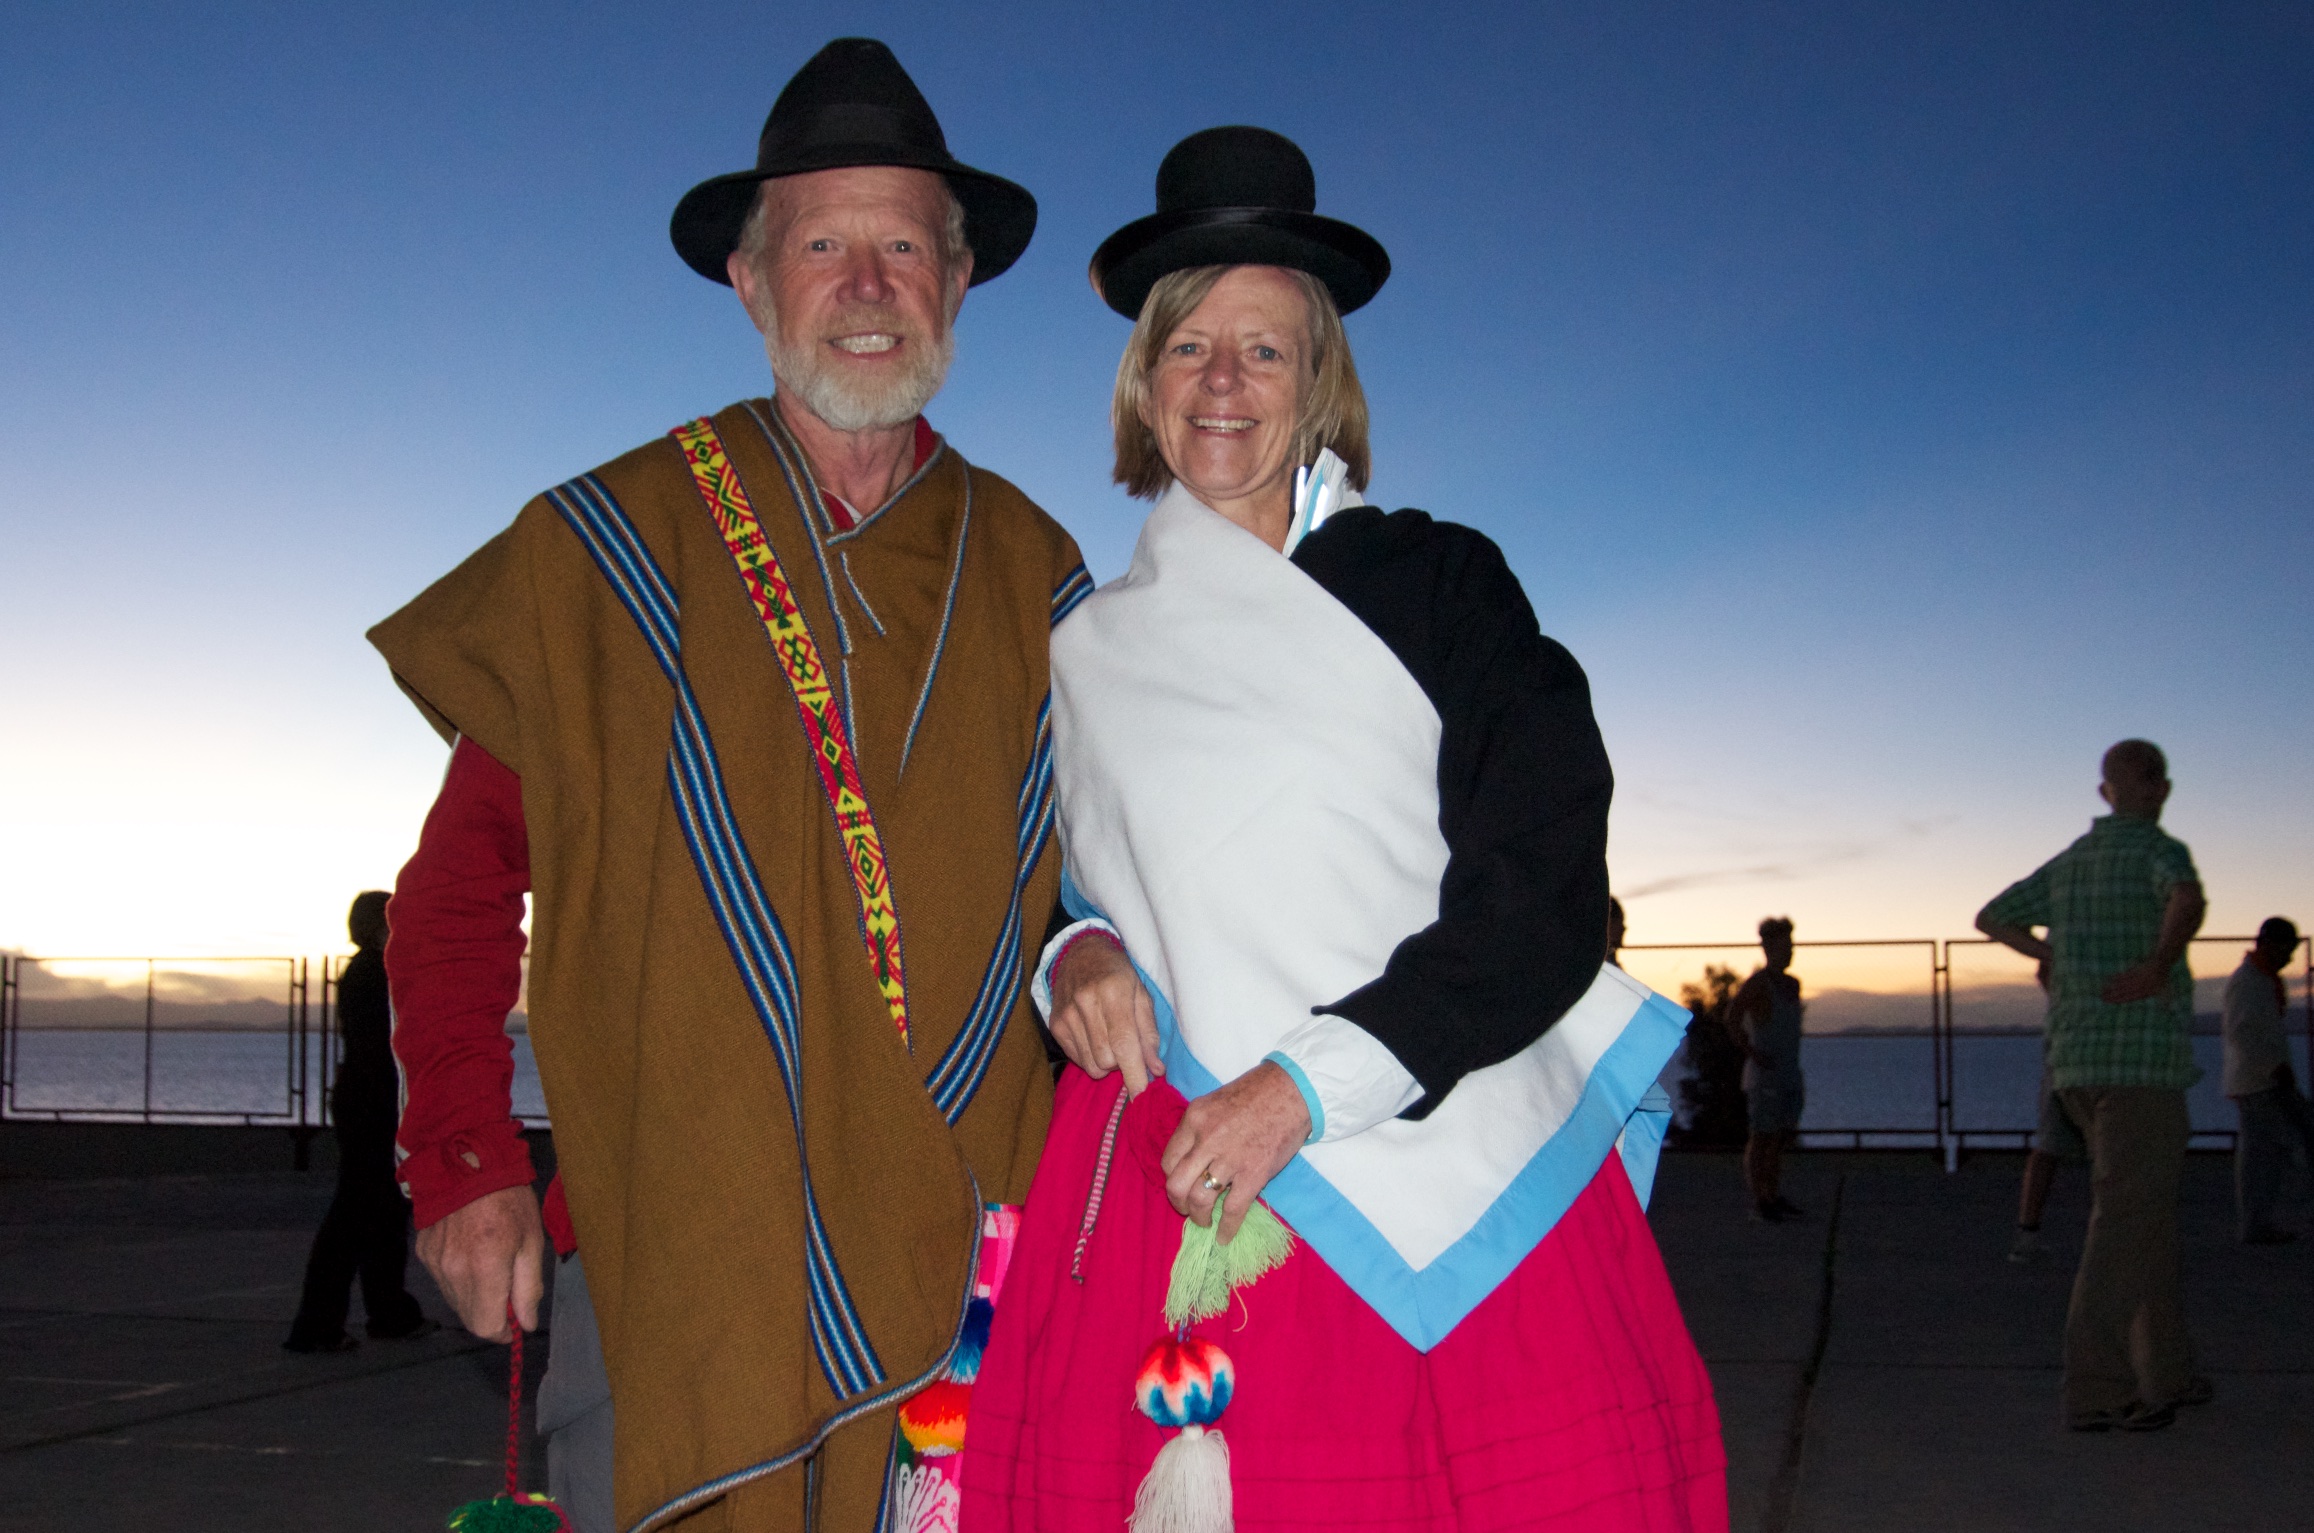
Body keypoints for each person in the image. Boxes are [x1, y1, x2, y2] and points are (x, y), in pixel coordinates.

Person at [964, 127, 1725, 1530]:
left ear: (1320, 378)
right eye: (1189, 346)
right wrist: (1071, 950)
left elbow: (1544, 883)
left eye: (1264, 350)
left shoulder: (1440, 582)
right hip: (1168, 1166)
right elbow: (1065, 871)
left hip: (1420, 1127)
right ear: (1143, 378)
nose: (1223, 385)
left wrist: (1305, 1087)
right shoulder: (1093, 646)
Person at [369, 39, 1085, 1533]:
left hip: (971, 1280)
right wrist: (461, 1159)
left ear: (958, 284)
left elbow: (1114, 891)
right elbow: (456, 886)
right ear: (752, 287)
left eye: (903, 245)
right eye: (822, 244)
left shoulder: (1039, 574)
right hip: (668, 1257)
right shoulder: (606, 551)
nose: (867, 284)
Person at [1976, 739, 2210, 1432]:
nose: (2155, 786)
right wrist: (2158, 965)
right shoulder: (2155, 849)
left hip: (2077, 1063)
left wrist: (2051, 952)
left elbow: (1993, 915)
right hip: (2139, 1065)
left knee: (2147, 1219)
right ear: (2140, 789)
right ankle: (2098, 1385)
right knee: (2126, 1222)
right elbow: (2187, 900)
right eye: (2149, 776)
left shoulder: (2072, 863)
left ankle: (2167, 1369)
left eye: (2155, 775)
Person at [284, 891, 436, 1352]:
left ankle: (388, 1311)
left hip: (371, 1101)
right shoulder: (376, 974)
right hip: (373, 1105)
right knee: (355, 1213)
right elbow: (389, 1046)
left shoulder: (371, 972)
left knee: (383, 1210)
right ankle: (318, 1324)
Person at [2223, 916, 2310, 1244]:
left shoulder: (2259, 980)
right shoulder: (2250, 981)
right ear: (2270, 945)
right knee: (2274, 1150)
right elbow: (2243, 1033)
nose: (2289, 957)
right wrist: (2273, 1067)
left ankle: (2256, 1225)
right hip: (2261, 1081)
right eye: (2286, 949)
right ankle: (2255, 1226)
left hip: (2264, 1079)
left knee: (2265, 1153)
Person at [2009, 959, 2088, 1264]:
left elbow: (2044, 969)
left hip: (2063, 1041)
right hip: (2091, 1043)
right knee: (2108, 1143)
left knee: (2048, 1143)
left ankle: (2026, 1234)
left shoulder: (2066, 921)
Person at [1728, 917, 1807, 1221]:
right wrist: (1753, 1053)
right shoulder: (1758, 984)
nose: (1790, 951)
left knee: (1778, 1138)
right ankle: (1760, 1200)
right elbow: (1732, 1019)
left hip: (1789, 1071)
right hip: (1765, 1077)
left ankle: (1773, 1194)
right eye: (1785, 945)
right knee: (1762, 1136)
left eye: (1792, 945)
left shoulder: (1792, 984)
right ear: (1769, 948)